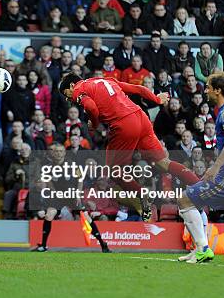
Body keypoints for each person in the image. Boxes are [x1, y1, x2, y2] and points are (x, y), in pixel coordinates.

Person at [58, 74, 200, 221]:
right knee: (163, 163)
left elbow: (91, 107)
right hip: (141, 117)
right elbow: (137, 89)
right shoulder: (106, 80)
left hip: (123, 125)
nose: (68, 99)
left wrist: (93, 124)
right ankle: (199, 185)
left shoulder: (78, 90)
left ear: (71, 86)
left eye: (66, 95)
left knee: (114, 172)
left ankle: (142, 194)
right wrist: (156, 99)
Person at [177, 72, 224, 264]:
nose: (206, 91)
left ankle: (203, 249)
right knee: (193, 201)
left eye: (209, 87)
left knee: (185, 200)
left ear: (218, 90)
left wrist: (216, 166)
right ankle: (199, 249)